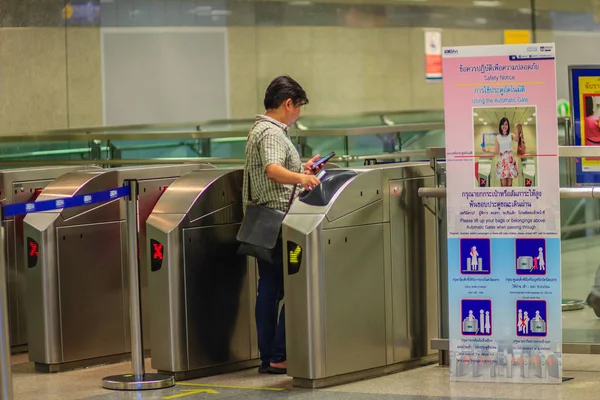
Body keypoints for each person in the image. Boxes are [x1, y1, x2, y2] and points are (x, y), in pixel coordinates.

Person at [242, 76, 321, 375]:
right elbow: (273, 171)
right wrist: (302, 179)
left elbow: (272, 172)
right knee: (295, 287)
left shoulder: (258, 130)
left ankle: (269, 357)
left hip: (264, 220)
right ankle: (279, 354)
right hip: (277, 222)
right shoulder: (274, 133)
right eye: (299, 107)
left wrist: (302, 169)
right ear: (288, 104)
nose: (299, 114)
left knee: (269, 289)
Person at [483, 117, 518, 187]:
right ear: (500, 126)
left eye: (506, 124)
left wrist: (515, 127)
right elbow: (496, 151)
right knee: (503, 184)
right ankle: (503, 198)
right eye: (503, 124)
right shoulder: (497, 137)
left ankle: (510, 198)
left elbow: (517, 139)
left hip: (510, 161)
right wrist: (487, 150)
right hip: (502, 161)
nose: (504, 126)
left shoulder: (511, 135)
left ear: (508, 126)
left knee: (509, 184)